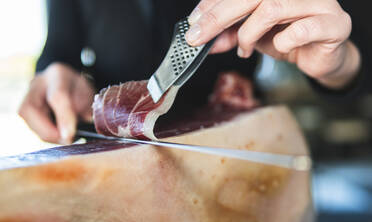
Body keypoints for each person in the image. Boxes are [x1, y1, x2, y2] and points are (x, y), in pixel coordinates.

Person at [18, 0, 370, 145]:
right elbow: (60, 50)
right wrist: (53, 74)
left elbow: (358, 50)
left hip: (239, 147)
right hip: (117, 151)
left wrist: (340, 63)